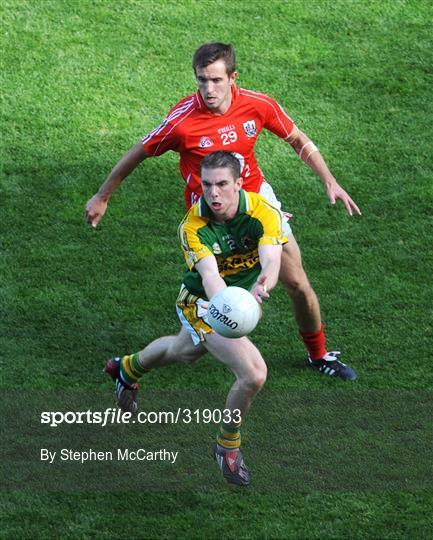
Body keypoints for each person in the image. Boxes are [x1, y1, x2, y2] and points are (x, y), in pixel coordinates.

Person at [86, 42, 359, 380]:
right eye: (201, 80)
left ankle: (319, 355)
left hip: (256, 202)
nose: (208, 89)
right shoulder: (182, 122)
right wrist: (102, 196)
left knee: (298, 283)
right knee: (192, 347)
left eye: (216, 80)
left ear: (233, 77)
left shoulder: (258, 105)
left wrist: (329, 180)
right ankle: (133, 366)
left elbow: (297, 139)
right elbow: (138, 153)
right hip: (210, 221)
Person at [105, 151, 286, 486]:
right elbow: (210, 277)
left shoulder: (263, 211)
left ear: (238, 183)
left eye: (221, 184)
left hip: (240, 298)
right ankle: (227, 446)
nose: (213, 193)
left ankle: (127, 368)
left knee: (184, 351)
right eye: (206, 185)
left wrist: (263, 284)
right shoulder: (193, 225)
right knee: (254, 374)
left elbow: (271, 258)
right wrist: (228, 306)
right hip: (203, 303)